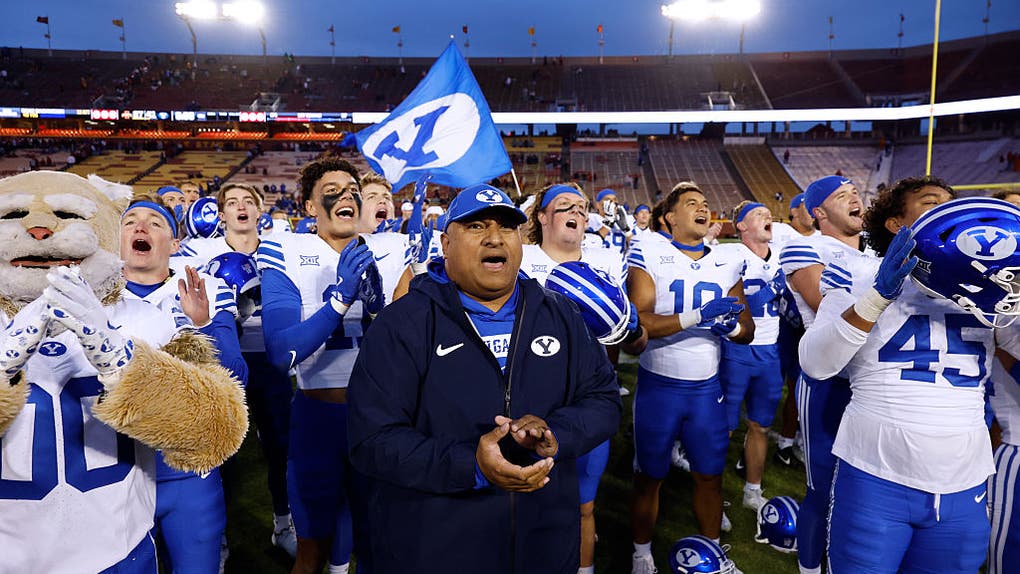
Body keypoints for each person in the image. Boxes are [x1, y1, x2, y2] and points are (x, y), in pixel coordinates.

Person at [347, 183, 622, 574]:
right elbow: (371, 440)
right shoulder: (403, 323)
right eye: (476, 227)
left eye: (507, 227)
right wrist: (471, 465)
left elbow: (604, 399)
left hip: (543, 542)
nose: (495, 237)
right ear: (445, 243)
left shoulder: (560, 313)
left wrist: (556, 434)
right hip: (436, 548)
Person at [799, 177, 1006, 574]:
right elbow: (816, 362)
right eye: (932, 204)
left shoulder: (986, 286)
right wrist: (878, 296)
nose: (949, 213)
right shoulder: (857, 272)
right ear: (895, 224)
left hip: (964, 480)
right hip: (875, 476)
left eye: (952, 204)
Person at [257, 157, 399, 574]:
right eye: (332, 190)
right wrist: (339, 300)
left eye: (353, 189)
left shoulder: (388, 252)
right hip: (319, 416)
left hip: (378, 418)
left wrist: (386, 306)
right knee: (312, 548)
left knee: (381, 544)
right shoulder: (286, 248)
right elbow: (281, 352)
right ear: (308, 206)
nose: (347, 196)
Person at [626, 182, 755, 574]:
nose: (703, 208)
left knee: (710, 477)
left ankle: (713, 555)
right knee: (649, 477)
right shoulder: (650, 250)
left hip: (706, 390)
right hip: (659, 386)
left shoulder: (729, 260)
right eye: (692, 203)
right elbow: (640, 319)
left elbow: (746, 328)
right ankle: (641, 552)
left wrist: (730, 328)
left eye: (706, 202)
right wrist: (699, 316)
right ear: (669, 217)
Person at [118, 195, 248, 573]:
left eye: (155, 223)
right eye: (130, 222)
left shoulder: (203, 289)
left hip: (188, 470)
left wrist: (203, 325)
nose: (141, 227)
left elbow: (237, 379)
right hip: (116, 467)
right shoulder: (90, 295)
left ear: (175, 245)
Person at [520, 182, 644, 574]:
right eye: (565, 205)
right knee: (522, 500)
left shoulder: (606, 260)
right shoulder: (518, 259)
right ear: (542, 217)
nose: (577, 211)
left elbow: (632, 341)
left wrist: (632, 326)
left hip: (586, 399)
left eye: (582, 206)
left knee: (584, 504)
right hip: (527, 397)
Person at [173, 182, 300, 558]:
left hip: (269, 358)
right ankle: (218, 534)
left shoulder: (284, 248)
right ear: (221, 213)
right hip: (220, 357)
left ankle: (283, 523)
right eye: (232, 202)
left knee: (281, 447)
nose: (241, 207)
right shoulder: (198, 250)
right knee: (217, 449)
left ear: (259, 211)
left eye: (248, 201)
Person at [778, 175, 875, 574]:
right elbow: (827, 307)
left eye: (855, 192)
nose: (855, 199)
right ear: (819, 212)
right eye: (842, 195)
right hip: (829, 381)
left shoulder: (879, 250)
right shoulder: (805, 247)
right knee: (823, 487)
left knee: (871, 487)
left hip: (877, 383)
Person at [715, 201, 786, 511]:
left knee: (761, 426)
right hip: (738, 351)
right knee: (725, 427)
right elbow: (738, 305)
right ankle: (713, 495)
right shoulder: (729, 255)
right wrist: (770, 290)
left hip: (771, 351)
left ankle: (752, 491)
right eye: (759, 214)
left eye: (768, 213)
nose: (767, 216)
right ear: (741, 226)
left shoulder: (782, 254)